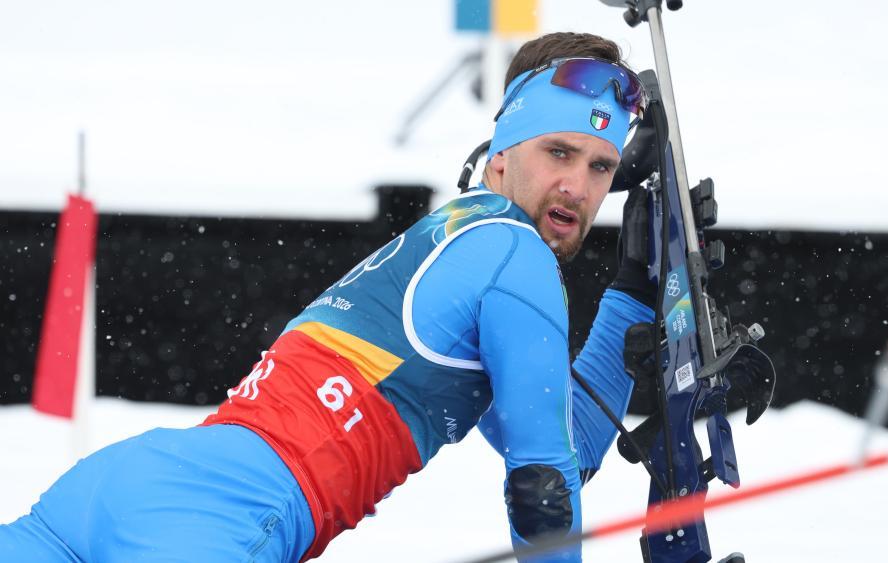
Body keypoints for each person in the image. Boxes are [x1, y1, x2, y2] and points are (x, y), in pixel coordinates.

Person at [0, 32, 656, 562]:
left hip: (110, 490)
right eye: (559, 152)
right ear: (502, 157)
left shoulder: (452, 238)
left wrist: (631, 291)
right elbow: (543, 488)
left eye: (601, 166)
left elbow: (568, 451)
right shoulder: (519, 259)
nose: (577, 184)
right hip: (218, 521)